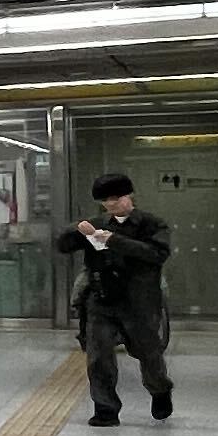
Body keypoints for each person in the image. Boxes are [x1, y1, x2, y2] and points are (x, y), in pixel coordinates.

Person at [57, 174, 174, 423]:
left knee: (148, 353)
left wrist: (113, 240)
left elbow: (157, 254)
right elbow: (64, 246)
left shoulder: (152, 224)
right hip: (102, 299)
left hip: (139, 301)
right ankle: (105, 408)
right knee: (98, 355)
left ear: (129, 196)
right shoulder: (97, 223)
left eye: (116, 198)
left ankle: (160, 389)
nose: (111, 204)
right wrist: (76, 231)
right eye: (105, 200)